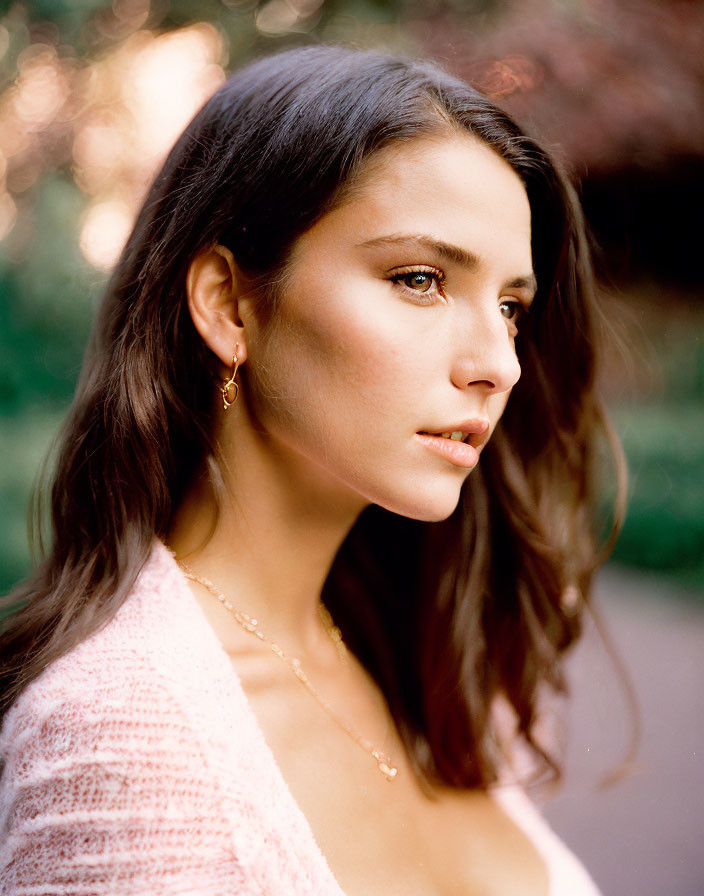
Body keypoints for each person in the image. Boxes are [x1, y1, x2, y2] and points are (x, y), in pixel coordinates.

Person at [0, 45, 623, 894]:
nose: (500, 364)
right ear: (228, 303)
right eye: (420, 279)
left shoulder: (427, 664)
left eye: (511, 306)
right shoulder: (121, 734)